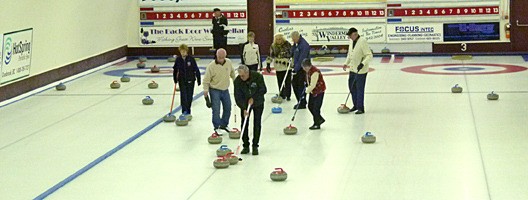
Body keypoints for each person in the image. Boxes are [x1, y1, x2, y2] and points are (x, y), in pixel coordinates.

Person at [234, 65, 267, 155]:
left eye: (243, 76)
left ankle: (255, 146)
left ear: (248, 73)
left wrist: (254, 98)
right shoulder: (237, 81)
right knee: (244, 124)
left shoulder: (258, 77)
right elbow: (237, 96)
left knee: (257, 123)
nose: (241, 78)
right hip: (245, 104)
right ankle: (245, 146)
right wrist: (243, 108)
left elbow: (263, 90)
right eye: (240, 76)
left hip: (258, 103)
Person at [203, 48, 236, 135]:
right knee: (216, 109)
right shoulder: (211, 66)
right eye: (219, 57)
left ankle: (224, 125)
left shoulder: (228, 62)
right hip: (214, 90)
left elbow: (232, 73)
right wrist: (205, 90)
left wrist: (235, 82)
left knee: (228, 107)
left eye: (223, 57)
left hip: (225, 89)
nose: (221, 59)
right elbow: (206, 79)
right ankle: (216, 126)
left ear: (225, 56)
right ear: (216, 56)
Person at [342, 28, 373, 114]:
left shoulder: (362, 41)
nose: (349, 37)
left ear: (355, 34)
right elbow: (350, 54)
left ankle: (360, 107)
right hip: (352, 69)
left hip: (361, 70)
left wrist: (362, 63)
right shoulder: (351, 41)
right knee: (352, 87)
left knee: (359, 89)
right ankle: (355, 105)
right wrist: (346, 63)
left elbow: (369, 55)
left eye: (350, 35)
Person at [173, 44, 201, 116]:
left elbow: (196, 69)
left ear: (186, 51)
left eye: (184, 51)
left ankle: (188, 110)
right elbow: (175, 69)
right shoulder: (178, 59)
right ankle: (184, 111)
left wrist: (198, 79)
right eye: (181, 51)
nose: (183, 53)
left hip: (190, 79)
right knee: (183, 95)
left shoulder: (191, 59)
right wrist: (175, 79)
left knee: (189, 96)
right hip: (182, 80)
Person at [302, 59, 326, 130]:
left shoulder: (315, 72)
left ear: (307, 67)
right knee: (310, 106)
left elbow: (313, 85)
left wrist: (306, 92)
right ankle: (319, 119)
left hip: (319, 91)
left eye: (304, 68)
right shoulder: (308, 71)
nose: (303, 69)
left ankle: (316, 124)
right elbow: (309, 81)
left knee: (316, 108)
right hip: (313, 92)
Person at [267, 33, 292, 101]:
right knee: (280, 81)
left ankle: (288, 95)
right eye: (277, 39)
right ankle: (282, 94)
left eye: (280, 39)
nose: (278, 40)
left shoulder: (287, 44)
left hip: (287, 66)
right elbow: (270, 55)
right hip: (278, 67)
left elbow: (292, 53)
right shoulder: (273, 46)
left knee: (288, 82)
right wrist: (268, 64)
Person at [291, 31, 310, 109]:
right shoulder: (297, 44)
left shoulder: (304, 45)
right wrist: (293, 46)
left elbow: (302, 59)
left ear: (297, 37)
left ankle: (302, 102)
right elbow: (293, 53)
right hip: (297, 68)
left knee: (300, 86)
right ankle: (300, 100)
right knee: (295, 84)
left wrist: (295, 69)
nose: (293, 41)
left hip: (302, 69)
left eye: (293, 39)